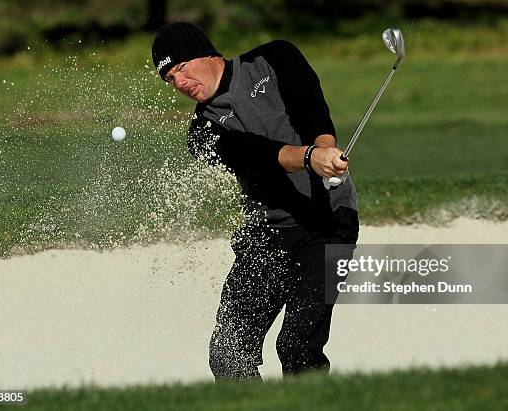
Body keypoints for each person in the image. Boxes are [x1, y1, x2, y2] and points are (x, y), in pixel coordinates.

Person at [152, 22, 358, 380]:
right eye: (170, 79)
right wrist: (310, 157)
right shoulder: (203, 131)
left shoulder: (273, 57)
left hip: (330, 222)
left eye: (181, 68)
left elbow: (309, 103)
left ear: (207, 54)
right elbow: (256, 155)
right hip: (267, 234)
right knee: (229, 355)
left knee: (297, 347)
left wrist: (324, 147)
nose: (179, 83)